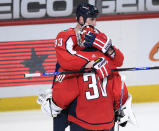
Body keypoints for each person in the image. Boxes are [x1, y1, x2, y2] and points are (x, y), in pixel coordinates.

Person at [37, 2, 133, 131]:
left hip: (81, 91)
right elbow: (66, 61)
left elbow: (118, 61)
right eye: (92, 19)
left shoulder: (98, 34)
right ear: (81, 19)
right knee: (60, 118)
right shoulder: (65, 36)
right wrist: (92, 63)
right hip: (69, 79)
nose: (95, 23)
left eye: (95, 20)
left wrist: (108, 48)